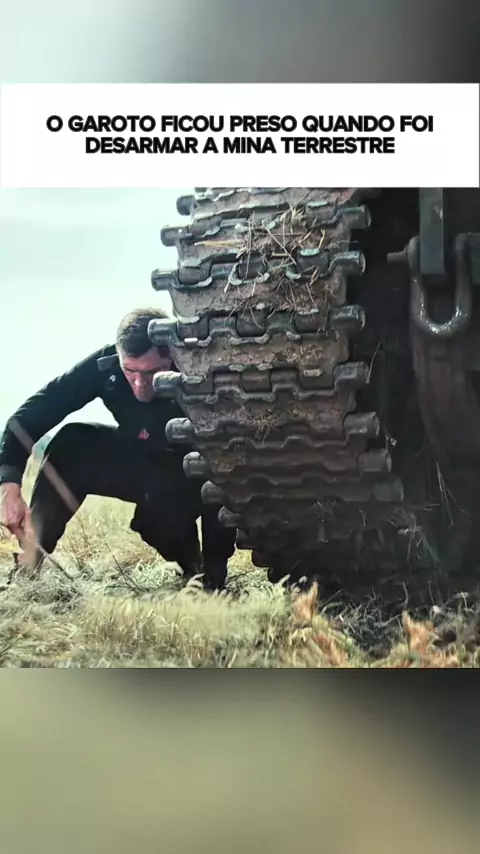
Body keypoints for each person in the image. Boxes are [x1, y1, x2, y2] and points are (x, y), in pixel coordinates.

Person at [0, 307, 236, 589]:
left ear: (171, 356)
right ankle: (28, 566)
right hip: (145, 465)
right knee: (72, 442)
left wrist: (217, 568)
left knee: (184, 495)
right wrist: (9, 484)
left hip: (193, 477)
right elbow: (30, 416)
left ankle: (209, 579)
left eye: (151, 372)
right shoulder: (106, 365)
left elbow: (227, 458)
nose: (139, 384)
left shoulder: (198, 371)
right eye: (130, 371)